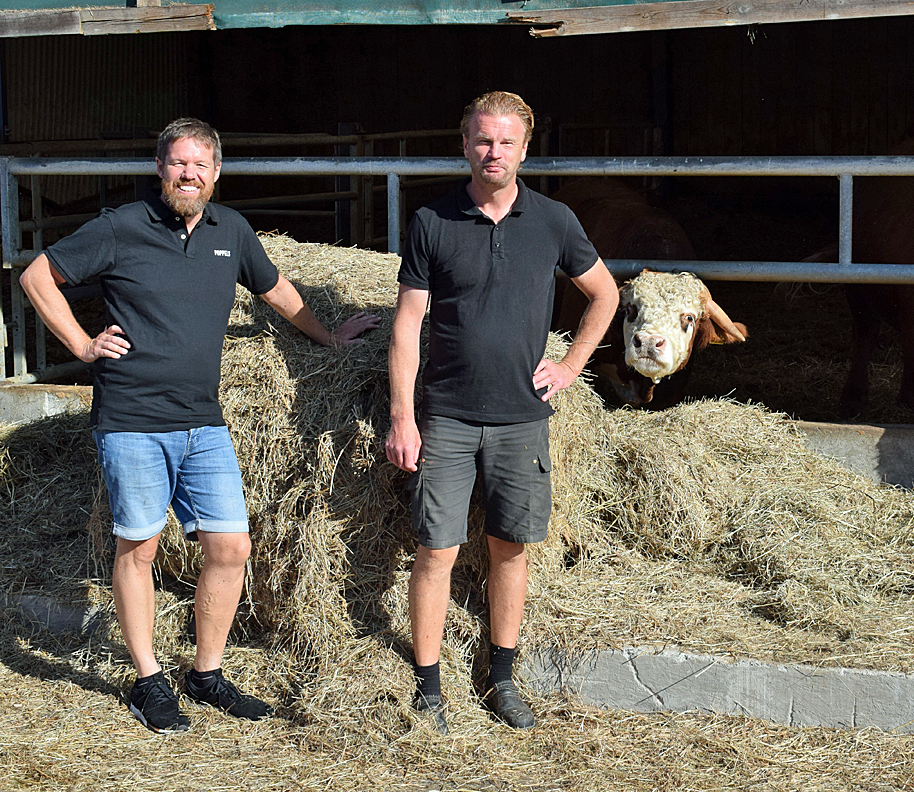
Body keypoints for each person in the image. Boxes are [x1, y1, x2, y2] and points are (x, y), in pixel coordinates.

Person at [19, 118, 380, 734]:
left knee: (231, 546)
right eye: (178, 163)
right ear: (160, 169)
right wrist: (81, 345)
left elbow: (276, 290)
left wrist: (330, 338)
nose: (189, 174)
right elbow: (36, 276)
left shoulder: (230, 230)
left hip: (202, 420)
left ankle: (205, 674)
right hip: (132, 419)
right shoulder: (120, 227)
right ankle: (147, 680)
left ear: (216, 173)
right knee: (139, 548)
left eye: (200, 165)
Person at [385, 91, 618, 733]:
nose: (494, 152)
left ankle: (502, 678)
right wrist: (403, 415)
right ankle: (428, 685)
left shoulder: (554, 221)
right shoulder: (432, 221)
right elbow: (407, 323)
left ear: (524, 149)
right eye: (483, 140)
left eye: (506, 142)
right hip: (448, 415)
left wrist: (570, 365)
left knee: (510, 548)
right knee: (436, 548)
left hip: (523, 416)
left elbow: (604, 294)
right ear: (465, 145)